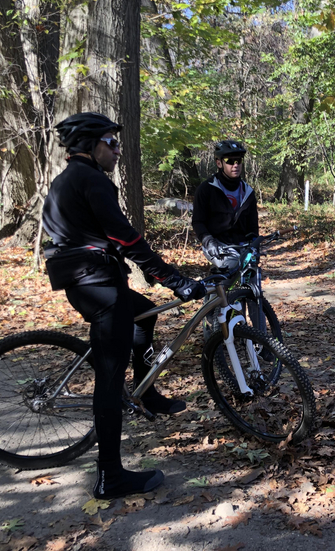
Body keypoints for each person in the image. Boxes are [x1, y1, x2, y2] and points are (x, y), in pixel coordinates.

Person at [42, 112, 206, 499]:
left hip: (85, 282)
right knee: (108, 381)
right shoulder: (94, 181)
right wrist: (175, 279)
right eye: (111, 143)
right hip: (100, 288)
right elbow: (126, 237)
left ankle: (146, 392)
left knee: (144, 317)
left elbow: (87, 234)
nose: (118, 151)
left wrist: (146, 273)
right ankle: (110, 477)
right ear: (90, 146)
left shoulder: (64, 181)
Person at [192, 140, 258, 272]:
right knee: (232, 268)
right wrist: (208, 240)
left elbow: (253, 225)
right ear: (219, 163)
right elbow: (198, 221)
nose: (235, 165)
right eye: (229, 161)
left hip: (242, 245)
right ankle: (216, 289)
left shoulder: (248, 192)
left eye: (238, 161)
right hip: (217, 245)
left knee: (251, 273)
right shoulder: (206, 189)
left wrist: (254, 245)